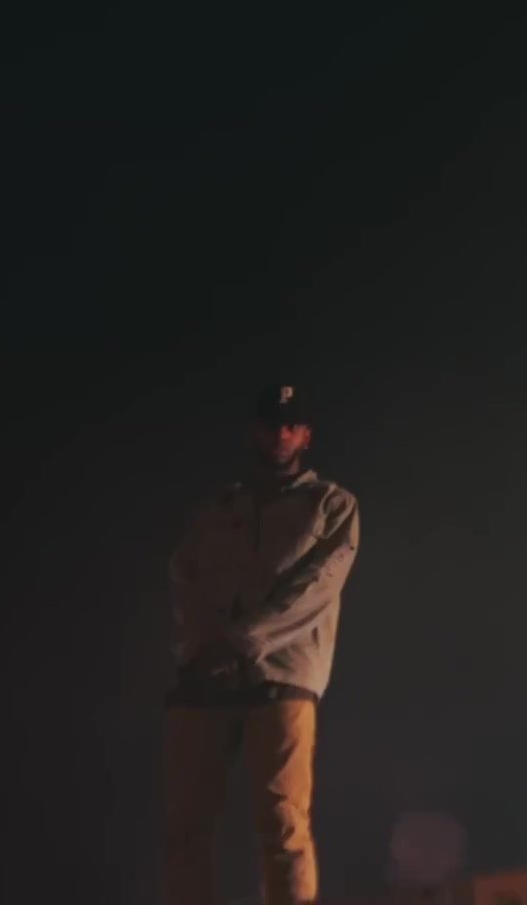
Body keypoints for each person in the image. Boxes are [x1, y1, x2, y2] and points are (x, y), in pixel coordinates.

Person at [160, 385, 362, 905]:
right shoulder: (220, 509)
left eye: (291, 425)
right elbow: (185, 577)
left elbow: (316, 588)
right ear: (256, 431)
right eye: (272, 425)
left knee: (283, 823)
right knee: (184, 826)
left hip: (282, 677)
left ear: (306, 435)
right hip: (207, 678)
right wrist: (194, 650)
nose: (281, 435)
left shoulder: (331, 504)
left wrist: (239, 641)